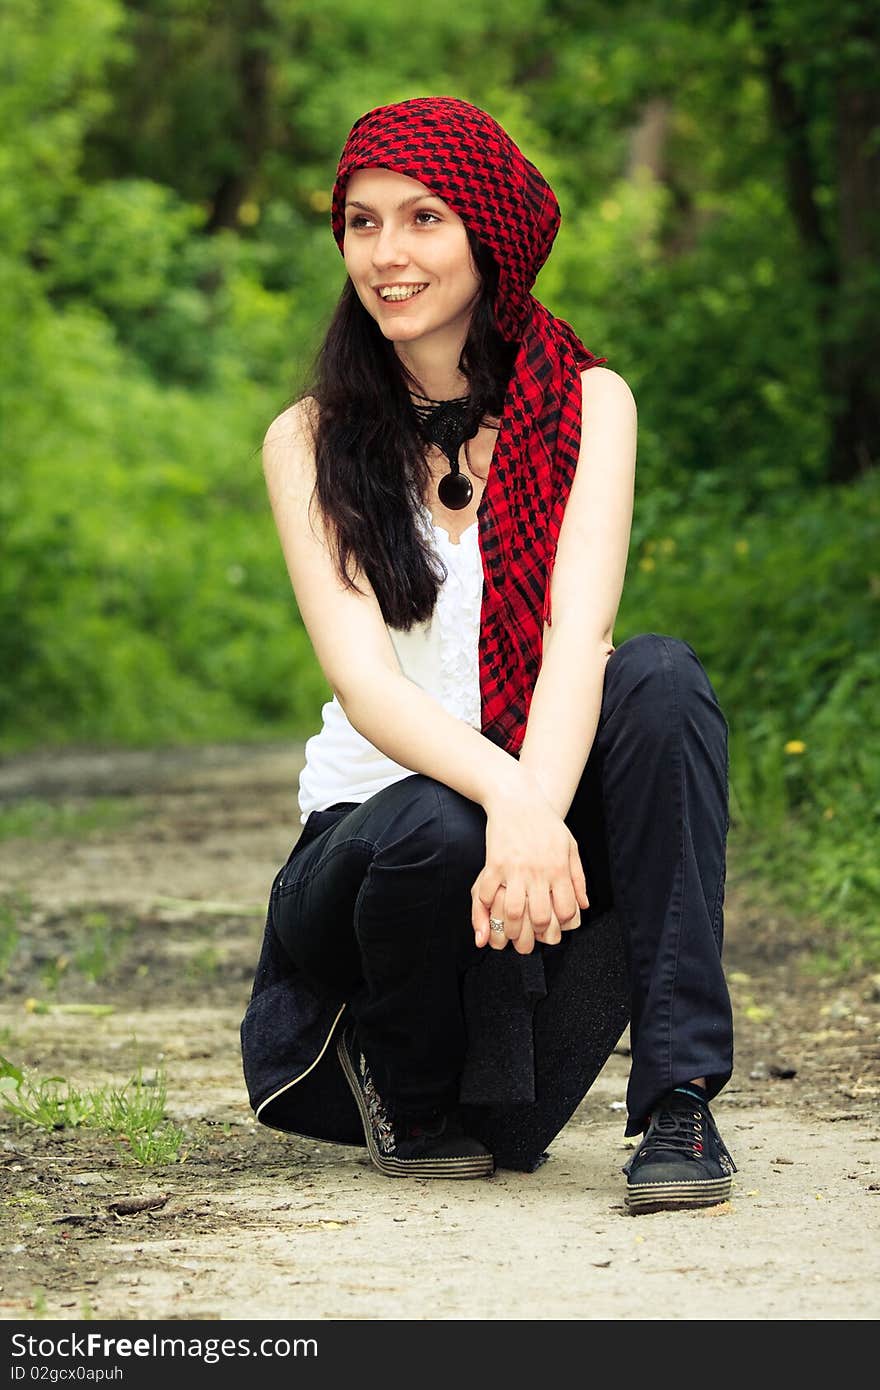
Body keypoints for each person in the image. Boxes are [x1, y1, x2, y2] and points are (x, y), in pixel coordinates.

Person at [240, 96, 736, 1213]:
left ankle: (679, 1104)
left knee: (657, 679)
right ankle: (401, 1084)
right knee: (435, 812)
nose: (386, 253)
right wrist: (515, 802)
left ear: (488, 235)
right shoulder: (307, 438)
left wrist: (528, 816)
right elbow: (367, 686)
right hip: (371, 863)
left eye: (422, 218)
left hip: (516, 865)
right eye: (360, 223)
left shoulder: (589, 405)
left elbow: (578, 639)